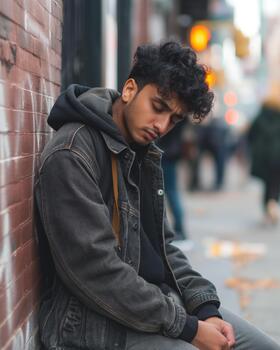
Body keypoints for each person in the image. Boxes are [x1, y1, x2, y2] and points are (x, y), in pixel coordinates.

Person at [35, 41, 280, 350]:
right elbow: (96, 272)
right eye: (158, 107)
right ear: (129, 89)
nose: (162, 126)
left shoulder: (141, 152)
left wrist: (206, 309)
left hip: (154, 306)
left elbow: (164, 249)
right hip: (93, 325)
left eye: (174, 119)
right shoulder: (73, 153)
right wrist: (188, 328)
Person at [248, 100, 280, 224]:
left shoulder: (259, 117)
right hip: (278, 156)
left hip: (263, 157)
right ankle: (273, 203)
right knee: (275, 184)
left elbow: (250, 135)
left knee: (267, 184)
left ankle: (268, 209)